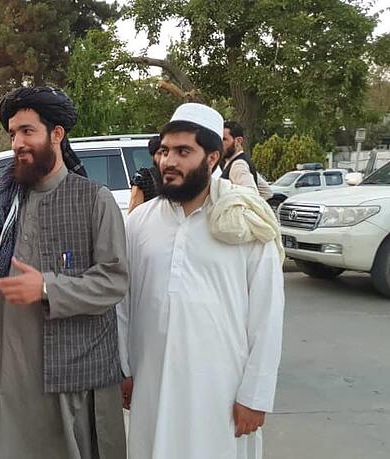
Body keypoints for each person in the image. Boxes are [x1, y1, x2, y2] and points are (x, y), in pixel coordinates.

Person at [0, 86, 129, 458]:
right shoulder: (3, 200)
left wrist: (48, 288)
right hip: (3, 364)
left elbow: (114, 281)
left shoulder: (94, 199)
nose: (17, 142)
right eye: (13, 134)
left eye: (27, 131)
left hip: (69, 368)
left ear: (56, 134)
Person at [119, 103, 284, 459]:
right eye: (165, 151)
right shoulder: (139, 223)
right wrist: (124, 369)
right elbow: (123, 304)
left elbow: (267, 314)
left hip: (222, 391)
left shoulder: (245, 221)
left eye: (183, 152)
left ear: (211, 158)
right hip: (152, 383)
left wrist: (255, 395)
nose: (168, 161)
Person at [221, 121, 273, 199]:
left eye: (224, 139)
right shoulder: (242, 161)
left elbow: (251, 193)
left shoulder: (238, 165)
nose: (220, 144)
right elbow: (266, 192)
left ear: (238, 141)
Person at [128, 135, 163, 214]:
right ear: (152, 155)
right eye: (160, 153)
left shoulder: (179, 176)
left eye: (166, 153)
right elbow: (134, 214)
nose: (164, 157)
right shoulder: (143, 178)